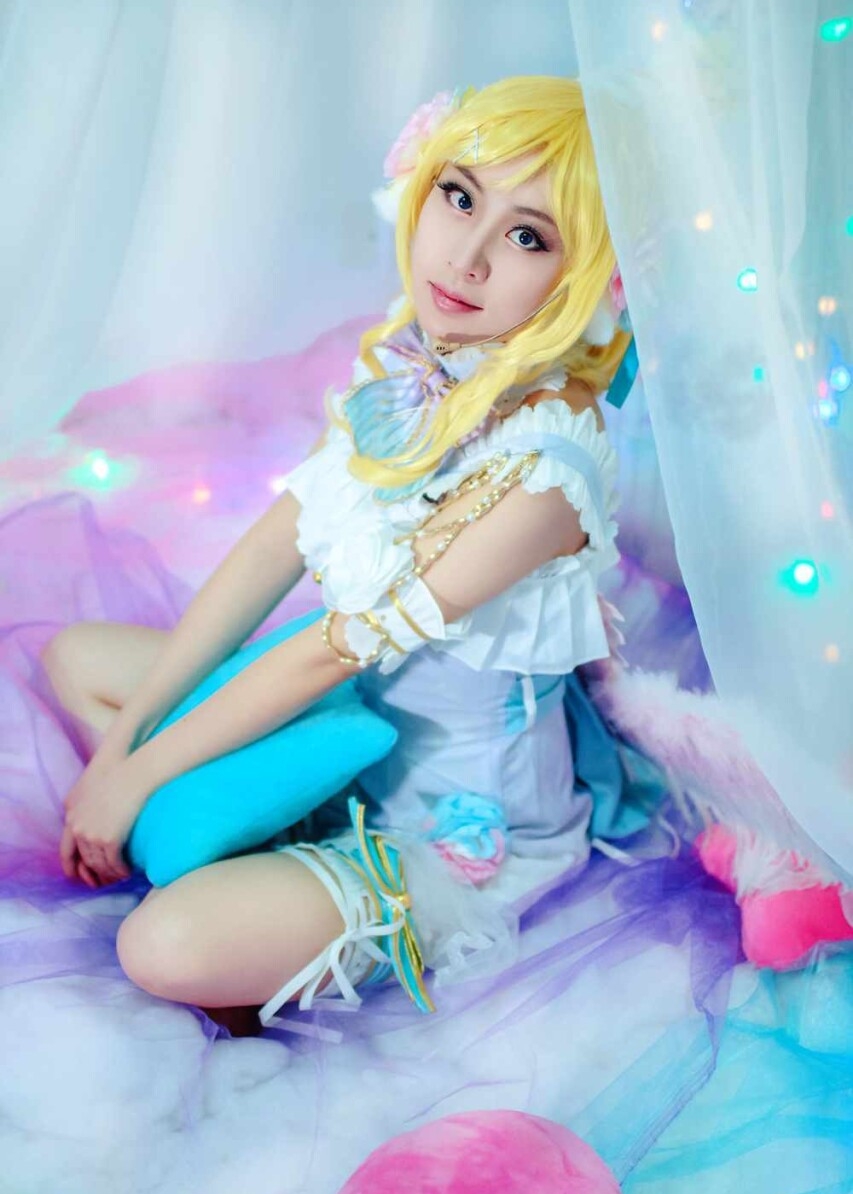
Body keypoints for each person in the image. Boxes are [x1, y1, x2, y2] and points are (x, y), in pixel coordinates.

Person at [39, 75, 642, 1035]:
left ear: (583, 279)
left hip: (446, 827)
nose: (467, 256)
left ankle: (258, 864)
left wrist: (136, 778)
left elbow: (331, 647)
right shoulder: (420, 357)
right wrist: (120, 751)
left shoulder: (546, 472)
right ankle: (255, 827)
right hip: (346, 726)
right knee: (76, 658)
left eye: (528, 237)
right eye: (459, 196)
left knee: (161, 945)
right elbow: (275, 542)